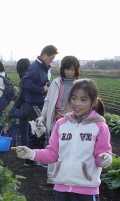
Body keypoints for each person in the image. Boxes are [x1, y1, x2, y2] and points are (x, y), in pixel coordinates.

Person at [12, 79, 112, 201]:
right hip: (62, 189)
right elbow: (52, 154)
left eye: (83, 99)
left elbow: (101, 155)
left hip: (86, 191)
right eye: (74, 98)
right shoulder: (61, 124)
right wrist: (32, 153)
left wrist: (105, 158)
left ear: (93, 102)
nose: (77, 103)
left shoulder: (99, 127)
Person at [37, 55, 81, 184]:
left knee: (69, 148)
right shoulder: (56, 83)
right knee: (54, 147)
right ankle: (51, 176)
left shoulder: (79, 85)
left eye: (72, 70)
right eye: (67, 69)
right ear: (63, 69)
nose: (69, 72)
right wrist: (42, 116)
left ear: (76, 70)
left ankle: (66, 175)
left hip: (72, 121)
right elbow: (48, 101)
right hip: (56, 119)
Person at [19, 45, 58, 166]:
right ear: (44, 55)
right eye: (50, 58)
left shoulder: (43, 68)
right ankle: (42, 159)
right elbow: (24, 83)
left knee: (35, 132)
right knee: (42, 130)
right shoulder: (35, 67)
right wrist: (41, 89)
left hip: (39, 102)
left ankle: (30, 160)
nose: (51, 61)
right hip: (34, 103)